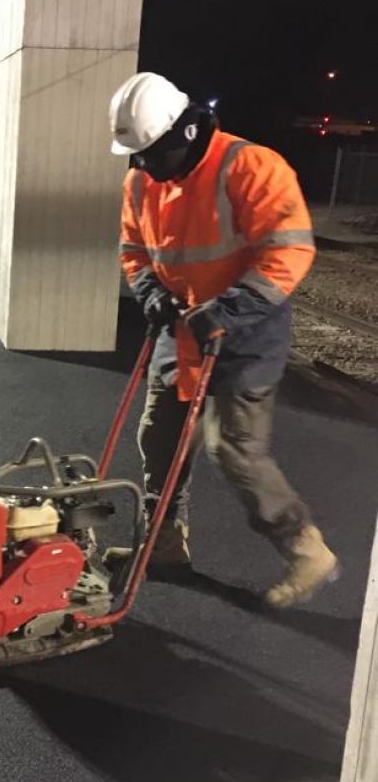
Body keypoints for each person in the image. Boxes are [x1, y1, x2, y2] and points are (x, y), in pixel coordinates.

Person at [107, 71, 337, 609]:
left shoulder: (251, 167)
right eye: (135, 156)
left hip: (246, 330)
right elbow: (133, 248)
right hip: (180, 327)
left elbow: (289, 253)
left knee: (232, 448)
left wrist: (230, 309)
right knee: (159, 437)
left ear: (183, 134)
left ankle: (306, 551)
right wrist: (148, 291)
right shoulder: (143, 179)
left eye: (149, 154)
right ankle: (163, 542)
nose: (141, 166)